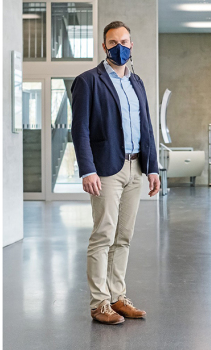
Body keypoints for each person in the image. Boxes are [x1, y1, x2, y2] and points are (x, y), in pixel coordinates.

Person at [71, 21, 160, 325]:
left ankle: (118, 297)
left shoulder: (137, 83)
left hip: (136, 167)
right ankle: (99, 304)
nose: (119, 46)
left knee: (124, 236)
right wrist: (87, 169)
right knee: (103, 235)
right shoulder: (88, 82)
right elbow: (80, 130)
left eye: (124, 41)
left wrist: (152, 168)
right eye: (112, 42)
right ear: (104, 46)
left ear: (131, 45)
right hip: (106, 169)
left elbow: (146, 126)